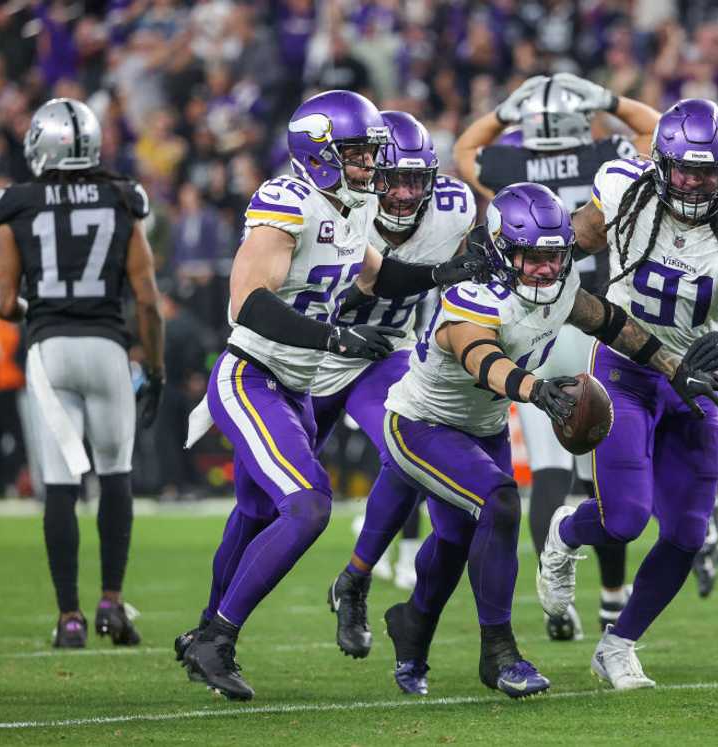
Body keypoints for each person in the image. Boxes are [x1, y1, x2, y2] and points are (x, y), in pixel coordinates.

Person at [173, 90, 486, 701]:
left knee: (258, 513)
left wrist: (445, 273)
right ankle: (216, 638)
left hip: (295, 385)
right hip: (252, 376)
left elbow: (379, 275)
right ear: (318, 151)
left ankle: (205, 633)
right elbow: (246, 303)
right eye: (357, 154)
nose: (369, 167)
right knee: (308, 505)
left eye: (370, 154)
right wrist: (335, 336)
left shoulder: (348, 205)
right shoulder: (286, 201)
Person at [370, 182, 718, 697]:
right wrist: (535, 389)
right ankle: (499, 654)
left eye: (555, 254)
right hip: (422, 423)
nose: (547, 267)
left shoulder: (558, 286)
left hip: (483, 427)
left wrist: (674, 368)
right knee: (500, 504)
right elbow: (481, 357)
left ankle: (411, 625)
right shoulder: (472, 293)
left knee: (454, 541)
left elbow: (613, 323)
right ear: (501, 249)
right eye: (532, 255)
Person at [536, 98, 718, 690]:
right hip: (625, 369)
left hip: (695, 376)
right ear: (659, 162)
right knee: (623, 520)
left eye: (708, 171)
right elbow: (568, 245)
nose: (696, 184)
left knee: (687, 532)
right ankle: (565, 534)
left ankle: (618, 645)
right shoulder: (623, 192)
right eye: (685, 169)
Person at [453, 72, 660, 639]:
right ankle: (613, 599)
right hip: (592, 318)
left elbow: (463, 149)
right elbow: (658, 135)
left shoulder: (507, 166)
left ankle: (555, 600)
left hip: (529, 324)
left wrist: (503, 108)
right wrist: (612, 100)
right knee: (602, 464)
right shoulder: (605, 153)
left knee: (548, 468)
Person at [0, 98, 164, 648]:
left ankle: (69, 616)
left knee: (61, 486)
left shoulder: (17, 204)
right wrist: (154, 368)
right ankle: (111, 603)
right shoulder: (119, 197)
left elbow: (1, 301)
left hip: (50, 353)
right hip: (107, 348)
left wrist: (36, 310)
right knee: (116, 474)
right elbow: (148, 302)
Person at [314, 110, 475, 659]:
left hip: (385, 351)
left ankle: (355, 580)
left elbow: (463, 276)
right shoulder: (333, 204)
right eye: (394, 178)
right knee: (269, 505)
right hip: (310, 355)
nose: (405, 193)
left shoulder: (453, 210)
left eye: (416, 179)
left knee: (407, 450)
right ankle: (216, 626)